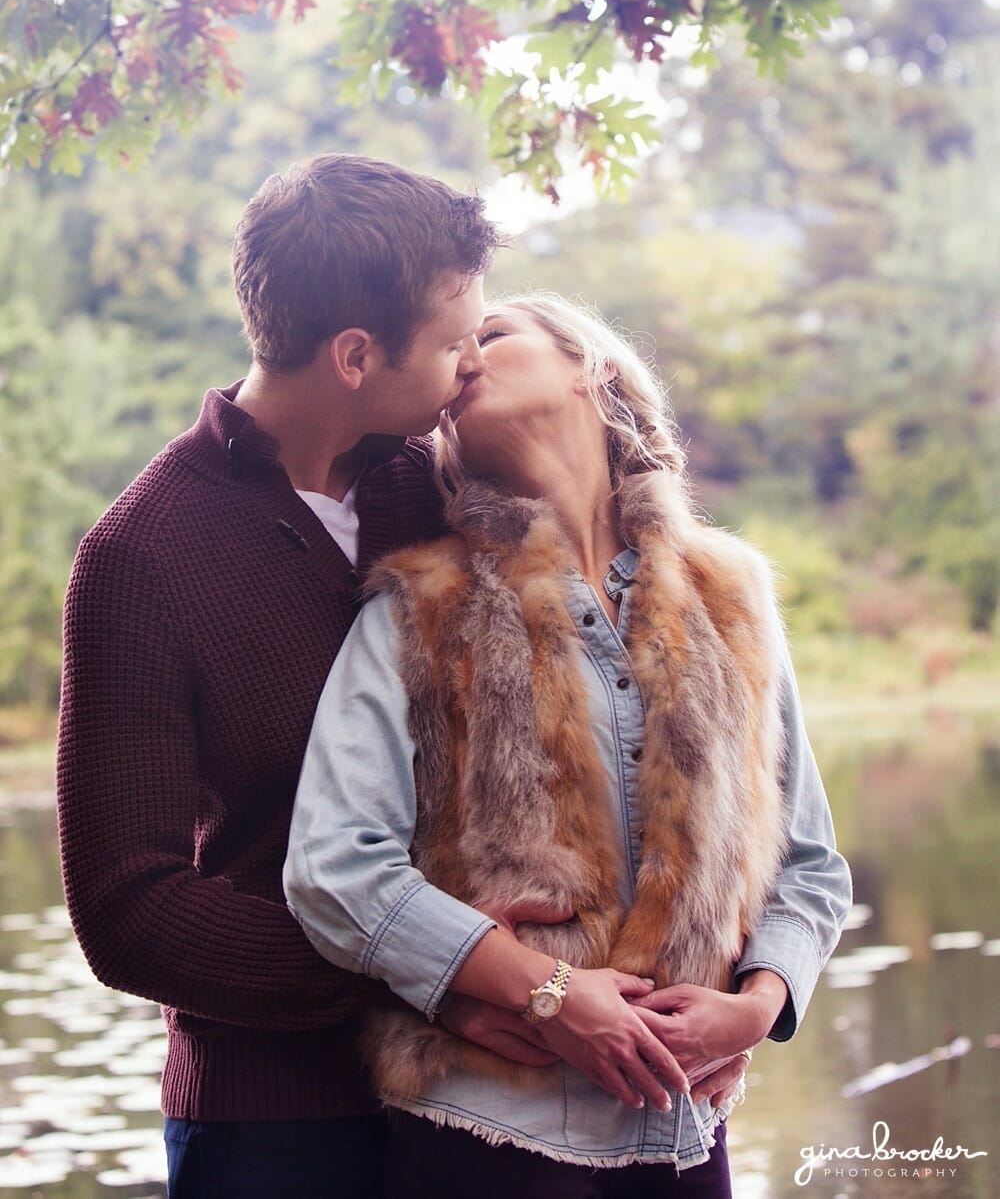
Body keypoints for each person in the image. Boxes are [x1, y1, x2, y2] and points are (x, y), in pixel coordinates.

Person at [284, 292, 853, 1198]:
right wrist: (540, 989)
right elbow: (332, 864)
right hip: (484, 1134)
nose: (466, 354)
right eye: (457, 345)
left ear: (593, 366)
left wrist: (756, 1006)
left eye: (495, 334)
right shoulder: (416, 609)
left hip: (685, 1132)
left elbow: (812, 863)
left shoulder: (732, 598)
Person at [56, 153, 546, 1199]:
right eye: (455, 339)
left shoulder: (431, 487)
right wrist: (433, 968)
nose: (472, 363)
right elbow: (129, 909)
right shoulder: (141, 556)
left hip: (488, 1094)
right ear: (357, 353)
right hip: (275, 1121)